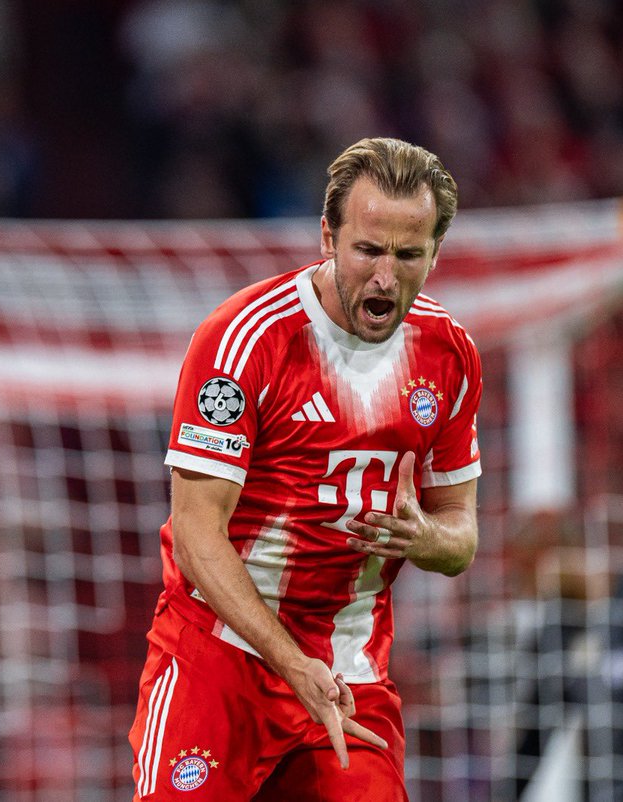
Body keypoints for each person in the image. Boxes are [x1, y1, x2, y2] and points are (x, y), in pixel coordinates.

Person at [128, 137, 482, 801]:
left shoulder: (449, 354)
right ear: (327, 237)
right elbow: (198, 535)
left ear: (435, 253)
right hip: (220, 657)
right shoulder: (245, 339)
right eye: (368, 250)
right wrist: (290, 663)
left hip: (348, 673)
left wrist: (425, 538)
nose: (386, 276)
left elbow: (461, 536)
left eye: (409, 255)